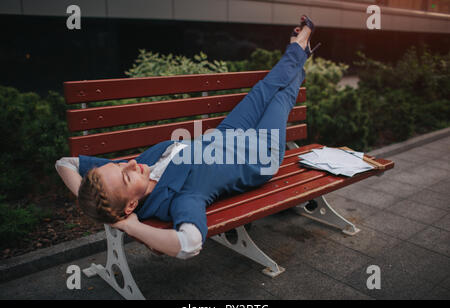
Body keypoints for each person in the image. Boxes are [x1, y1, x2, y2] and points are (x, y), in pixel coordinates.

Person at [56, 15, 318, 260]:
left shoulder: (137, 168)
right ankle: (299, 47)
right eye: (127, 176)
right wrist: (129, 226)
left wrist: (94, 206)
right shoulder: (181, 196)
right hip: (260, 155)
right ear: (131, 205)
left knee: (265, 88)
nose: (131, 164)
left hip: (225, 136)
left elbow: (64, 163)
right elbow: (190, 244)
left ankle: (299, 51)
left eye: (118, 164)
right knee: (281, 100)